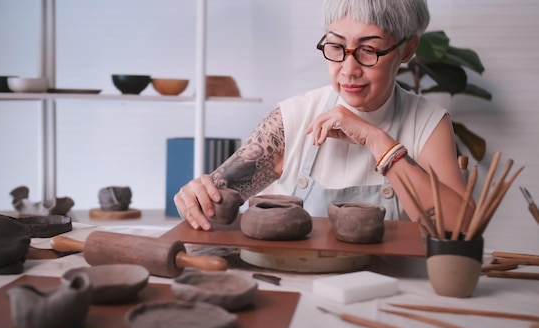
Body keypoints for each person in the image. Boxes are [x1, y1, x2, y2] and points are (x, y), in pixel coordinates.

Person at [174, 0, 473, 232]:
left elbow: (461, 226)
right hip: (295, 287)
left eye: (368, 50)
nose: (348, 69)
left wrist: (378, 141)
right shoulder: (293, 118)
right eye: (336, 47)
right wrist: (195, 196)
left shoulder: (428, 124)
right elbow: (214, 201)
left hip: (389, 293)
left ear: (407, 50)